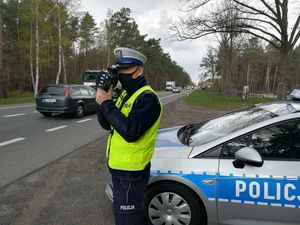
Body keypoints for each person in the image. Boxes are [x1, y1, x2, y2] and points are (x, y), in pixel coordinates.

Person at [96, 47, 162, 225]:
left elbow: (130, 131)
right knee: (131, 217)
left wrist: (107, 103)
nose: (120, 74)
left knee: (127, 219)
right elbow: (108, 124)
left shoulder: (148, 98)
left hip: (131, 174)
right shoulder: (126, 93)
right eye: (118, 70)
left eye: (125, 69)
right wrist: (102, 101)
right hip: (119, 170)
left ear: (139, 70)